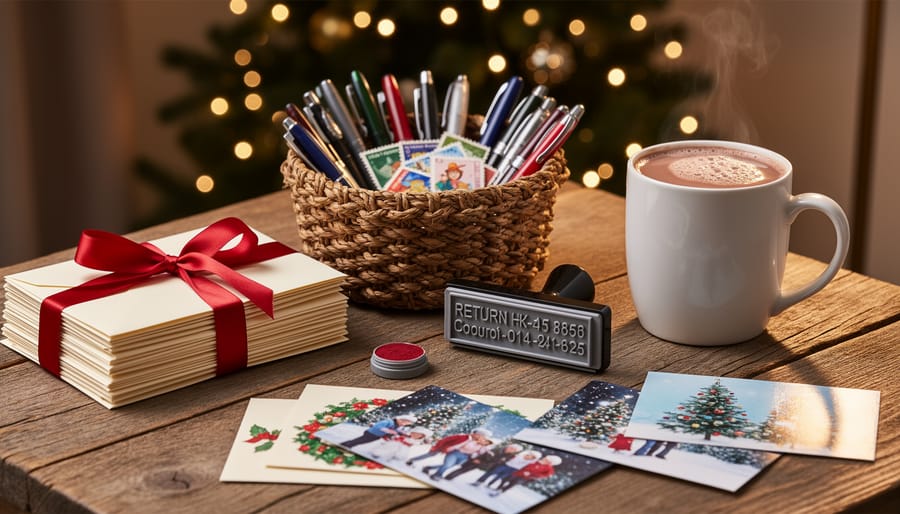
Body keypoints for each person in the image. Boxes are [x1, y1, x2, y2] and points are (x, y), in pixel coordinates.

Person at [421, 429, 493, 480]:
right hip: (456, 453)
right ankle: (437, 475)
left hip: (465, 457)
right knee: (447, 465)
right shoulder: (470, 440)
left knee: (449, 466)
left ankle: (428, 468)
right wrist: (446, 448)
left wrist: (487, 449)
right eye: (483, 438)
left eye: (486, 441)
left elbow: (484, 452)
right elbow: (458, 444)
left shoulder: (481, 447)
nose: (484, 440)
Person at [444, 443, 523, 481]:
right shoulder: (498, 449)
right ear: (509, 446)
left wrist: (484, 463)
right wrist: (477, 459)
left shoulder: (508, 456)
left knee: (465, 470)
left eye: (514, 450)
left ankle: (450, 477)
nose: (511, 450)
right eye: (511, 448)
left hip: (483, 464)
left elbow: (497, 462)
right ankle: (448, 477)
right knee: (463, 468)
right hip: (477, 459)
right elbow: (485, 453)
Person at [491, 455, 562, 496]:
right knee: (505, 479)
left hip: (525, 477)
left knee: (512, 483)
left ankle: (501, 491)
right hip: (517, 472)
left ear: (551, 463)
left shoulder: (549, 468)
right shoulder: (536, 461)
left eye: (547, 460)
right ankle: (498, 488)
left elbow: (545, 475)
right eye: (545, 458)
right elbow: (525, 463)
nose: (545, 460)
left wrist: (532, 474)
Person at [472, 448, 542, 489]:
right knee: (491, 472)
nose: (530, 457)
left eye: (532, 457)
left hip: (513, 469)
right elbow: (509, 457)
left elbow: (535, 464)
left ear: (533, 458)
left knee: (499, 477)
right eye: (530, 455)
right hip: (505, 465)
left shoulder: (530, 462)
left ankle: (489, 484)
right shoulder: (518, 455)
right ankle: (479, 481)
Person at [340, 414, 417, 449]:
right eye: (404, 422)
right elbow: (377, 426)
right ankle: (346, 444)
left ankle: (349, 445)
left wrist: (403, 434)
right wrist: (388, 430)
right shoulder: (389, 421)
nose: (404, 424)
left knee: (362, 442)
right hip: (371, 433)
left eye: (407, 424)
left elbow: (396, 431)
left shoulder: (397, 426)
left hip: (377, 436)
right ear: (400, 419)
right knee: (360, 440)